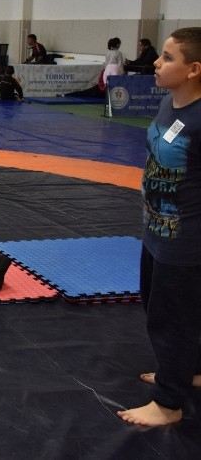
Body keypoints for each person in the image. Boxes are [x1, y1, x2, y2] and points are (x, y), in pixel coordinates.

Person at [118, 27, 201, 427]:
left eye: (168, 57)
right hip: (157, 230)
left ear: (194, 70)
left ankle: (169, 403)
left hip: (186, 241)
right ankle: (187, 371)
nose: (156, 62)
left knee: (172, 319)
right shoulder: (172, 103)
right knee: (157, 307)